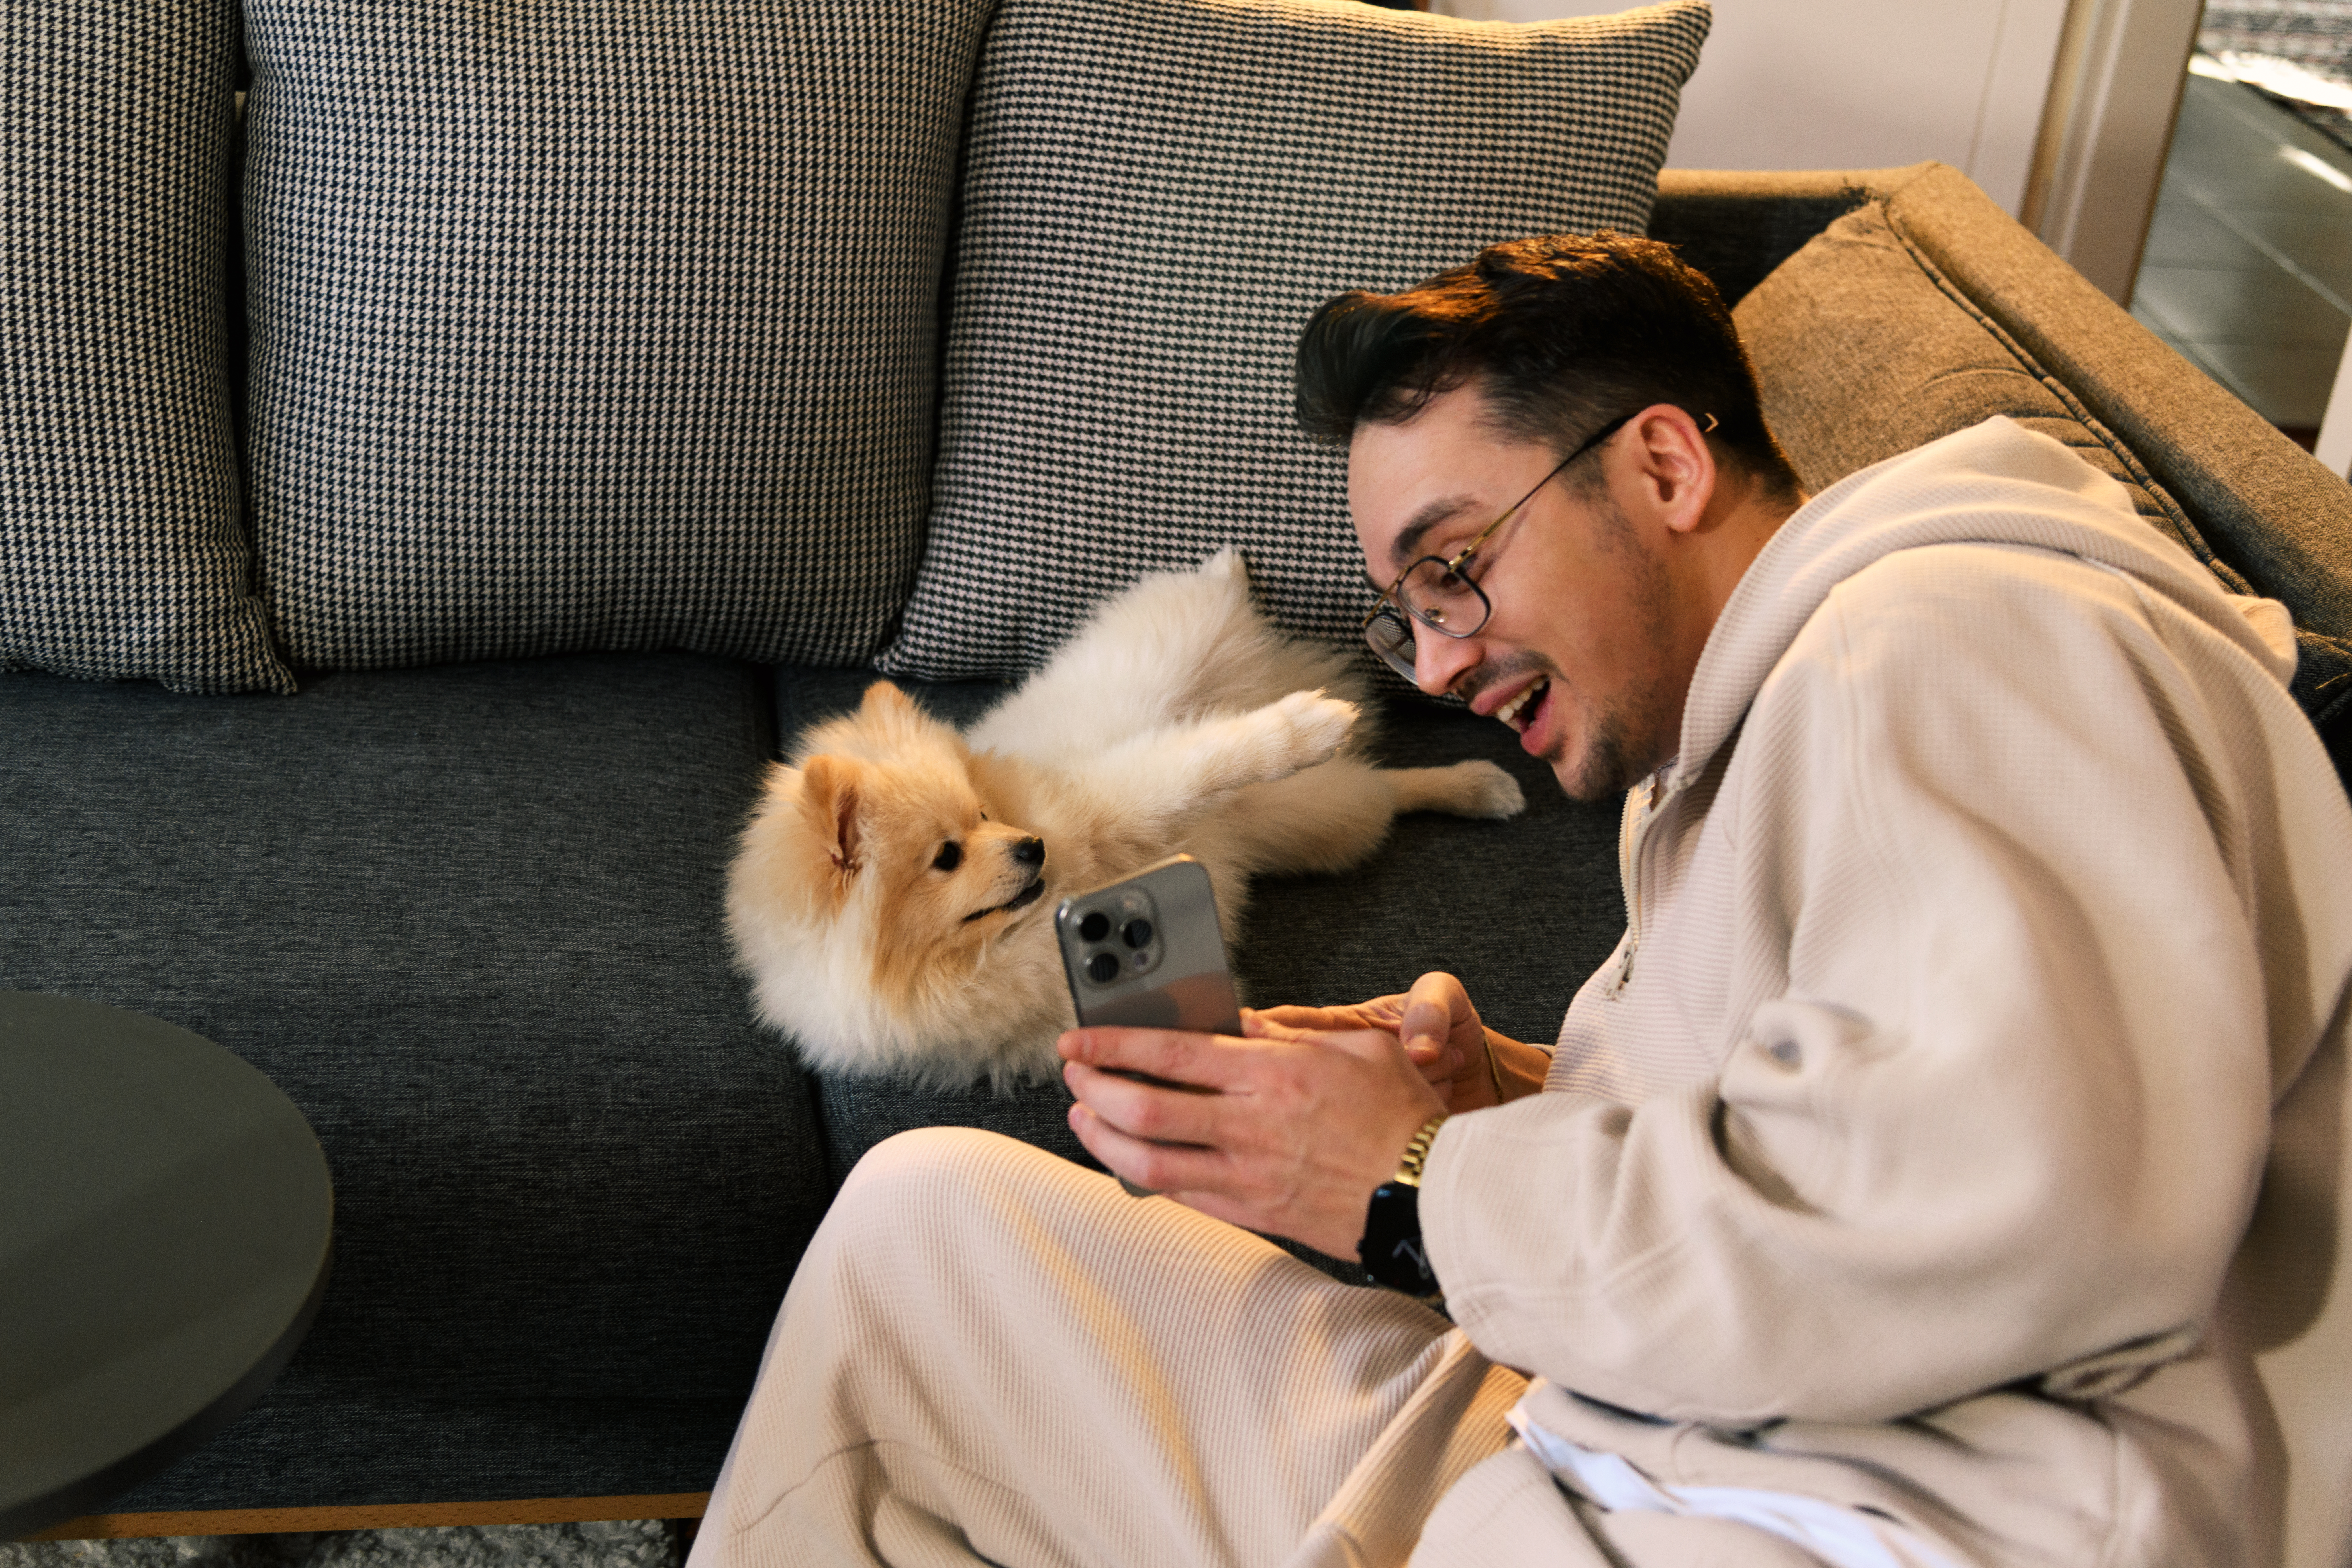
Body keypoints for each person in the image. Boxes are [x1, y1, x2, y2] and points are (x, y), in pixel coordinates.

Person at [687, 235, 2352, 1568]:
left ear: (1664, 466)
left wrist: (1412, 1181)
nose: (1435, 666)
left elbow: (2017, 1213)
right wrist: (1508, 1099)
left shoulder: (1949, 642)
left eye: (1456, 569)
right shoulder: (1741, 744)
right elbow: (1860, 1116)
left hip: (1840, 1514)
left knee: (920, 1313)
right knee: (920, 1223)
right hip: (1656, 1424)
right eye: (1407, 609)